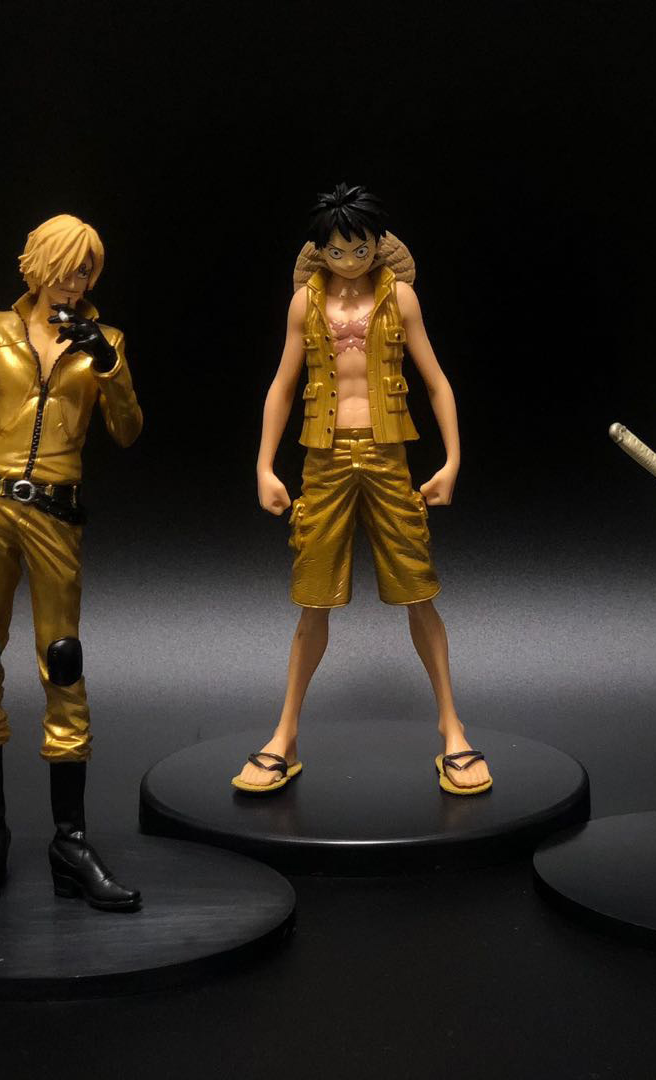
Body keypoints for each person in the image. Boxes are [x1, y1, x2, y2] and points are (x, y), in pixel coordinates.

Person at [0, 213, 143, 911]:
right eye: (68, 268)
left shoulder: (104, 341)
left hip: (56, 514)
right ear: (40, 265)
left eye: (87, 272)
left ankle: (70, 842)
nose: (77, 282)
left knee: (64, 662)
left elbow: (127, 431)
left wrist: (107, 365)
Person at [237, 183, 491, 796]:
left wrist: (453, 460)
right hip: (323, 460)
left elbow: (436, 381)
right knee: (313, 600)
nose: (350, 260)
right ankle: (285, 735)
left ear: (378, 244)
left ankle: (452, 727)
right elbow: (282, 384)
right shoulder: (304, 303)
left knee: (419, 591)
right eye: (337, 250)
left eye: (360, 248)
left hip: (387, 456)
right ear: (319, 250)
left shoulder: (399, 297)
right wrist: (265, 465)